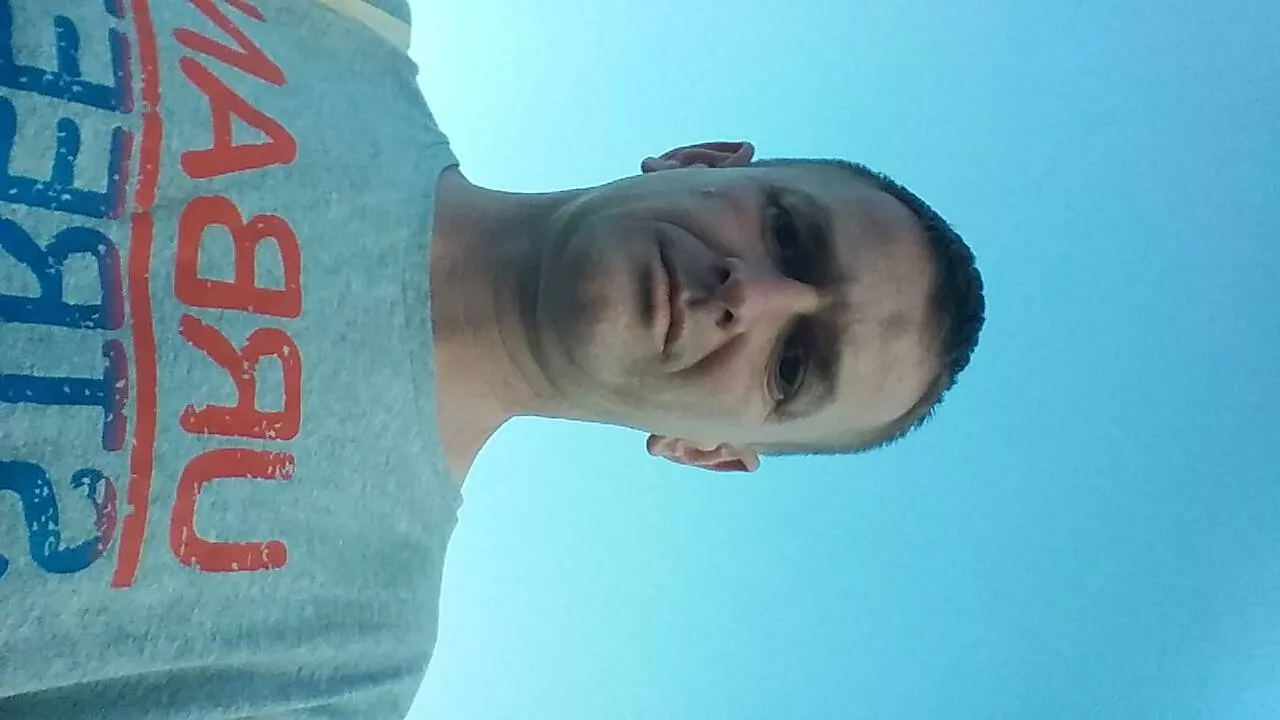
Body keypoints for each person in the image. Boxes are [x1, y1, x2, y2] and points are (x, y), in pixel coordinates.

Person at [0, 0, 984, 718]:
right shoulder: (343, 17)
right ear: (700, 160)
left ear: (702, 450)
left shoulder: (326, 671)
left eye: (792, 367)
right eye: (787, 232)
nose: (750, 295)